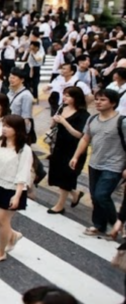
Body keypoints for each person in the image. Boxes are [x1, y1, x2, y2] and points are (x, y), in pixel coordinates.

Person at [69, 89, 126, 237]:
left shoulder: (122, 122)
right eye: (97, 99)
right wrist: (75, 156)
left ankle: (117, 224)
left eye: (103, 100)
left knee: (102, 195)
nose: (98, 102)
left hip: (114, 165)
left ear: (113, 103)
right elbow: (85, 138)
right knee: (95, 197)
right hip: (94, 163)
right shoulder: (92, 119)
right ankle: (99, 225)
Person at [0, 114, 32, 263]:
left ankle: (1, 252)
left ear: (17, 129)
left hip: (12, 188)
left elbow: (23, 173)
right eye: (3, 125)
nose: (4, 129)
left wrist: (17, 195)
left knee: (3, 220)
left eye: (8, 126)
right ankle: (12, 235)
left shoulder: (24, 149)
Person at [46, 86, 88, 214]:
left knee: (66, 176)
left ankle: (60, 205)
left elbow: (80, 135)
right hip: (59, 146)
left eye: (68, 96)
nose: (64, 97)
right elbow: (53, 126)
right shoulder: (62, 108)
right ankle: (75, 194)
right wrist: (54, 122)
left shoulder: (83, 114)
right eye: (64, 94)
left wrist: (64, 122)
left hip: (73, 149)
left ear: (76, 98)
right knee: (58, 175)